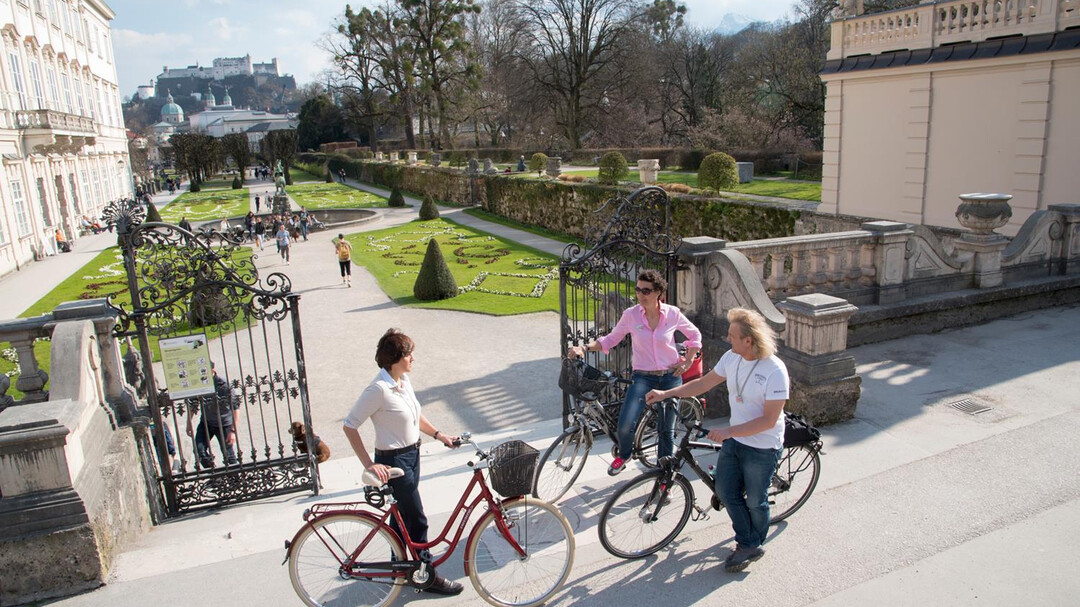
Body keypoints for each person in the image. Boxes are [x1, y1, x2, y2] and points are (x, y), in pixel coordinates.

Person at [645, 307, 789, 573]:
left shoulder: (774, 370)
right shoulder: (732, 357)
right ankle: (748, 541)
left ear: (749, 340)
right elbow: (702, 384)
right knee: (724, 491)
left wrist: (729, 432)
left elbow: (769, 421)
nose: (727, 338)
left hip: (763, 446)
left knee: (755, 500)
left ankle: (750, 544)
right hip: (737, 439)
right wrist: (667, 394)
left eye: (732, 335)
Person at [342, 329, 463, 596]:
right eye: (409, 354)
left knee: (401, 520)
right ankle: (427, 576)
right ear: (395, 358)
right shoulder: (378, 389)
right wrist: (369, 465)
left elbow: (415, 417)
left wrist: (440, 435)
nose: (413, 358)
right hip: (393, 461)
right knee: (417, 520)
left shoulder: (402, 381)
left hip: (412, 456)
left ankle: (400, 568)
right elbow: (350, 426)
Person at [567, 269, 701, 475]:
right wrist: (584, 348)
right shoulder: (631, 315)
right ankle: (625, 454)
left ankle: (664, 476)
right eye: (638, 290)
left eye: (646, 291)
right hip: (643, 377)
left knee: (666, 431)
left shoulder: (672, 313)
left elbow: (695, 335)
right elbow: (611, 339)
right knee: (625, 422)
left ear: (658, 293)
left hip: (670, 377)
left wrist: (688, 361)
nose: (640, 294)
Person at [186, 362, 240, 469]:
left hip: (224, 424)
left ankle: (236, 476)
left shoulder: (223, 385)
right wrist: (188, 424)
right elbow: (192, 406)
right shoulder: (198, 384)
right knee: (199, 450)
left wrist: (233, 431)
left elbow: (236, 408)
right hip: (206, 422)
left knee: (228, 454)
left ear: (212, 371)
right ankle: (213, 474)